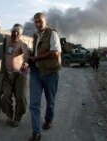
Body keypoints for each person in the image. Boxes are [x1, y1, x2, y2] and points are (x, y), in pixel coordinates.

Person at [28, 12, 62, 141]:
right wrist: (31, 57)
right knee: (34, 103)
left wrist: (37, 57)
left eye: (40, 21)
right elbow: (37, 52)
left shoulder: (52, 33)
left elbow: (55, 52)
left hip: (50, 72)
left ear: (45, 21)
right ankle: (36, 133)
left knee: (50, 101)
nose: (37, 24)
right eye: (35, 22)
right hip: (36, 72)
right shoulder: (36, 35)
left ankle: (48, 120)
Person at [0, 23, 29, 127]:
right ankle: (9, 115)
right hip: (7, 74)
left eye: (17, 32)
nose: (15, 34)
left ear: (21, 34)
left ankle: (17, 117)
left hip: (19, 74)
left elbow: (26, 55)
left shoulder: (22, 44)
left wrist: (26, 62)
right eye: (13, 32)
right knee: (6, 97)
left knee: (21, 97)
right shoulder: (7, 39)